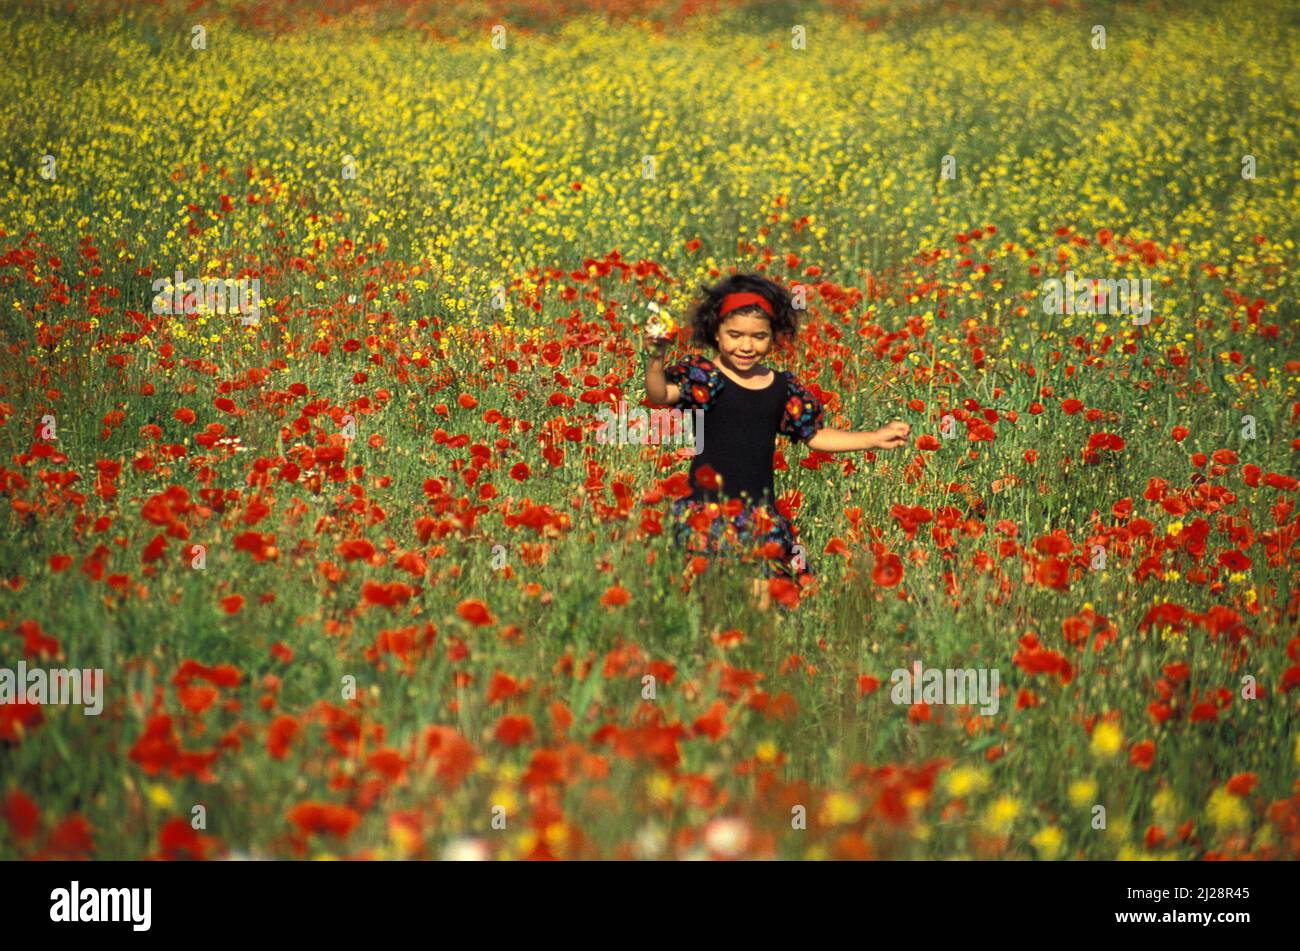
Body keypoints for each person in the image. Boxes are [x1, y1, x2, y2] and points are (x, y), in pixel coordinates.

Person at [642, 273, 911, 611]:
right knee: (705, 604)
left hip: (759, 515)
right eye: (735, 335)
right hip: (706, 510)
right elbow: (660, 394)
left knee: (763, 607)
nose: (746, 345)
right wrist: (655, 358)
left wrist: (872, 438)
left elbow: (814, 436)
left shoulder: (782, 388)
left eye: (759, 336)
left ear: (773, 337)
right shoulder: (705, 377)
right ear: (716, 333)